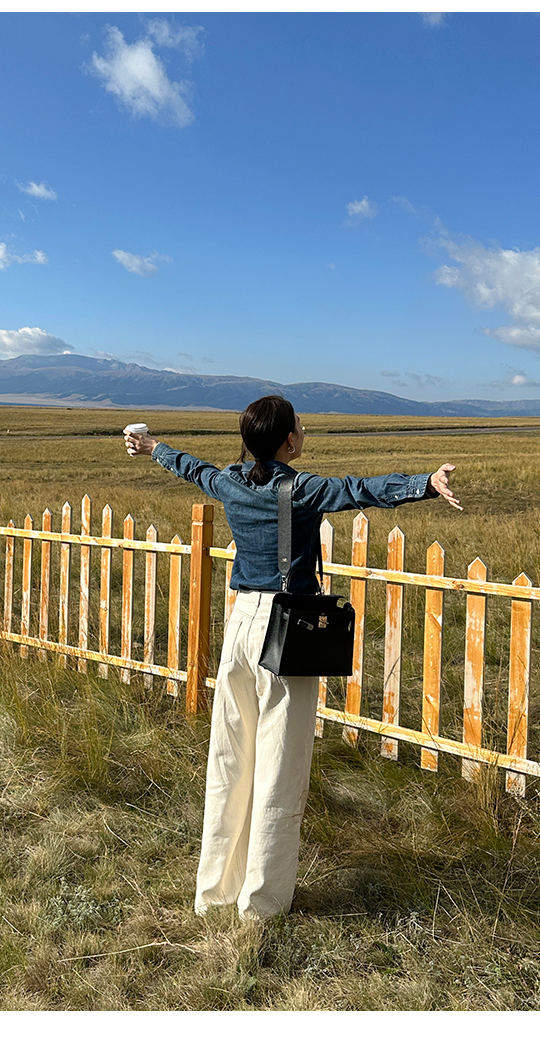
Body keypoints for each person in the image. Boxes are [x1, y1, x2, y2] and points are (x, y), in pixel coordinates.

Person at [124, 395, 462, 921]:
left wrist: (151, 447)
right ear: (288, 440)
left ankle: (214, 893)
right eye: (299, 425)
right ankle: (260, 906)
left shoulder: (229, 482)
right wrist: (426, 483)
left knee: (229, 758)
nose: (304, 430)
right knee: (279, 767)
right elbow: (359, 490)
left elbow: (192, 467)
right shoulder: (301, 489)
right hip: (285, 629)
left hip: (240, 625)